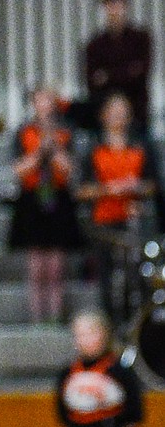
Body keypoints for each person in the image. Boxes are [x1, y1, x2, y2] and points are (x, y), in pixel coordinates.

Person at [78, 92, 155, 331]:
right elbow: (81, 190)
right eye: (114, 111)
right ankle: (110, 330)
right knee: (108, 280)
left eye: (123, 111)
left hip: (134, 220)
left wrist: (136, 188)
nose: (118, 116)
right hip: (104, 223)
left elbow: (153, 185)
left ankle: (140, 331)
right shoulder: (94, 147)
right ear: (103, 116)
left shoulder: (141, 144)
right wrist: (109, 189)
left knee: (138, 279)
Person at [7, 87, 81, 323]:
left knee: (57, 266)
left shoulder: (66, 132)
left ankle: (56, 316)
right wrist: (40, 153)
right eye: (40, 99)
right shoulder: (24, 132)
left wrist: (55, 149)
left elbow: (69, 170)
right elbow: (18, 169)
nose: (45, 104)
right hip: (32, 199)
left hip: (58, 199)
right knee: (36, 265)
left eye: (49, 99)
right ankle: (38, 318)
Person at [84, 0, 153, 134]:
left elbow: (142, 75)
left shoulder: (141, 39)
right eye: (110, 4)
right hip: (104, 119)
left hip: (137, 115)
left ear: (126, 5)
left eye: (119, 4)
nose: (115, 9)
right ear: (104, 7)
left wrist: (107, 76)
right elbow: (91, 83)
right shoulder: (95, 45)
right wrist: (127, 72)